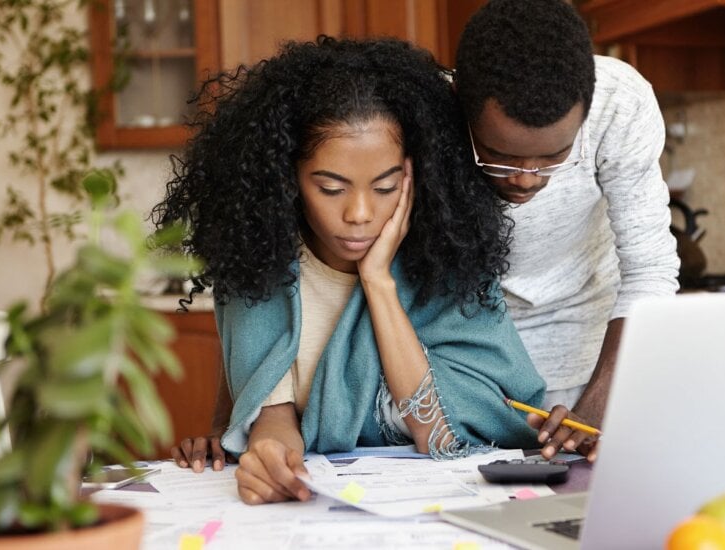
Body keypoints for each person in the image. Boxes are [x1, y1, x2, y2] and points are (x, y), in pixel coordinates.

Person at [152, 36, 547, 504]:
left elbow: (441, 434)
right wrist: (270, 459)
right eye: (330, 187)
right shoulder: (259, 261)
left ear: (418, 177)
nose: (359, 213)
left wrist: (378, 282)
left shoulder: (448, 263)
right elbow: (273, 413)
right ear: (288, 176)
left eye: (385, 187)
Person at [454, 0, 680, 460]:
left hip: (589, 346)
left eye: (554, 156)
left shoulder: (618, 105)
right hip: (463, 350)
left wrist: (602, 400)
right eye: (501, 156)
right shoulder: (430, 111)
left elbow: (650, 270)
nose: (526, 178)